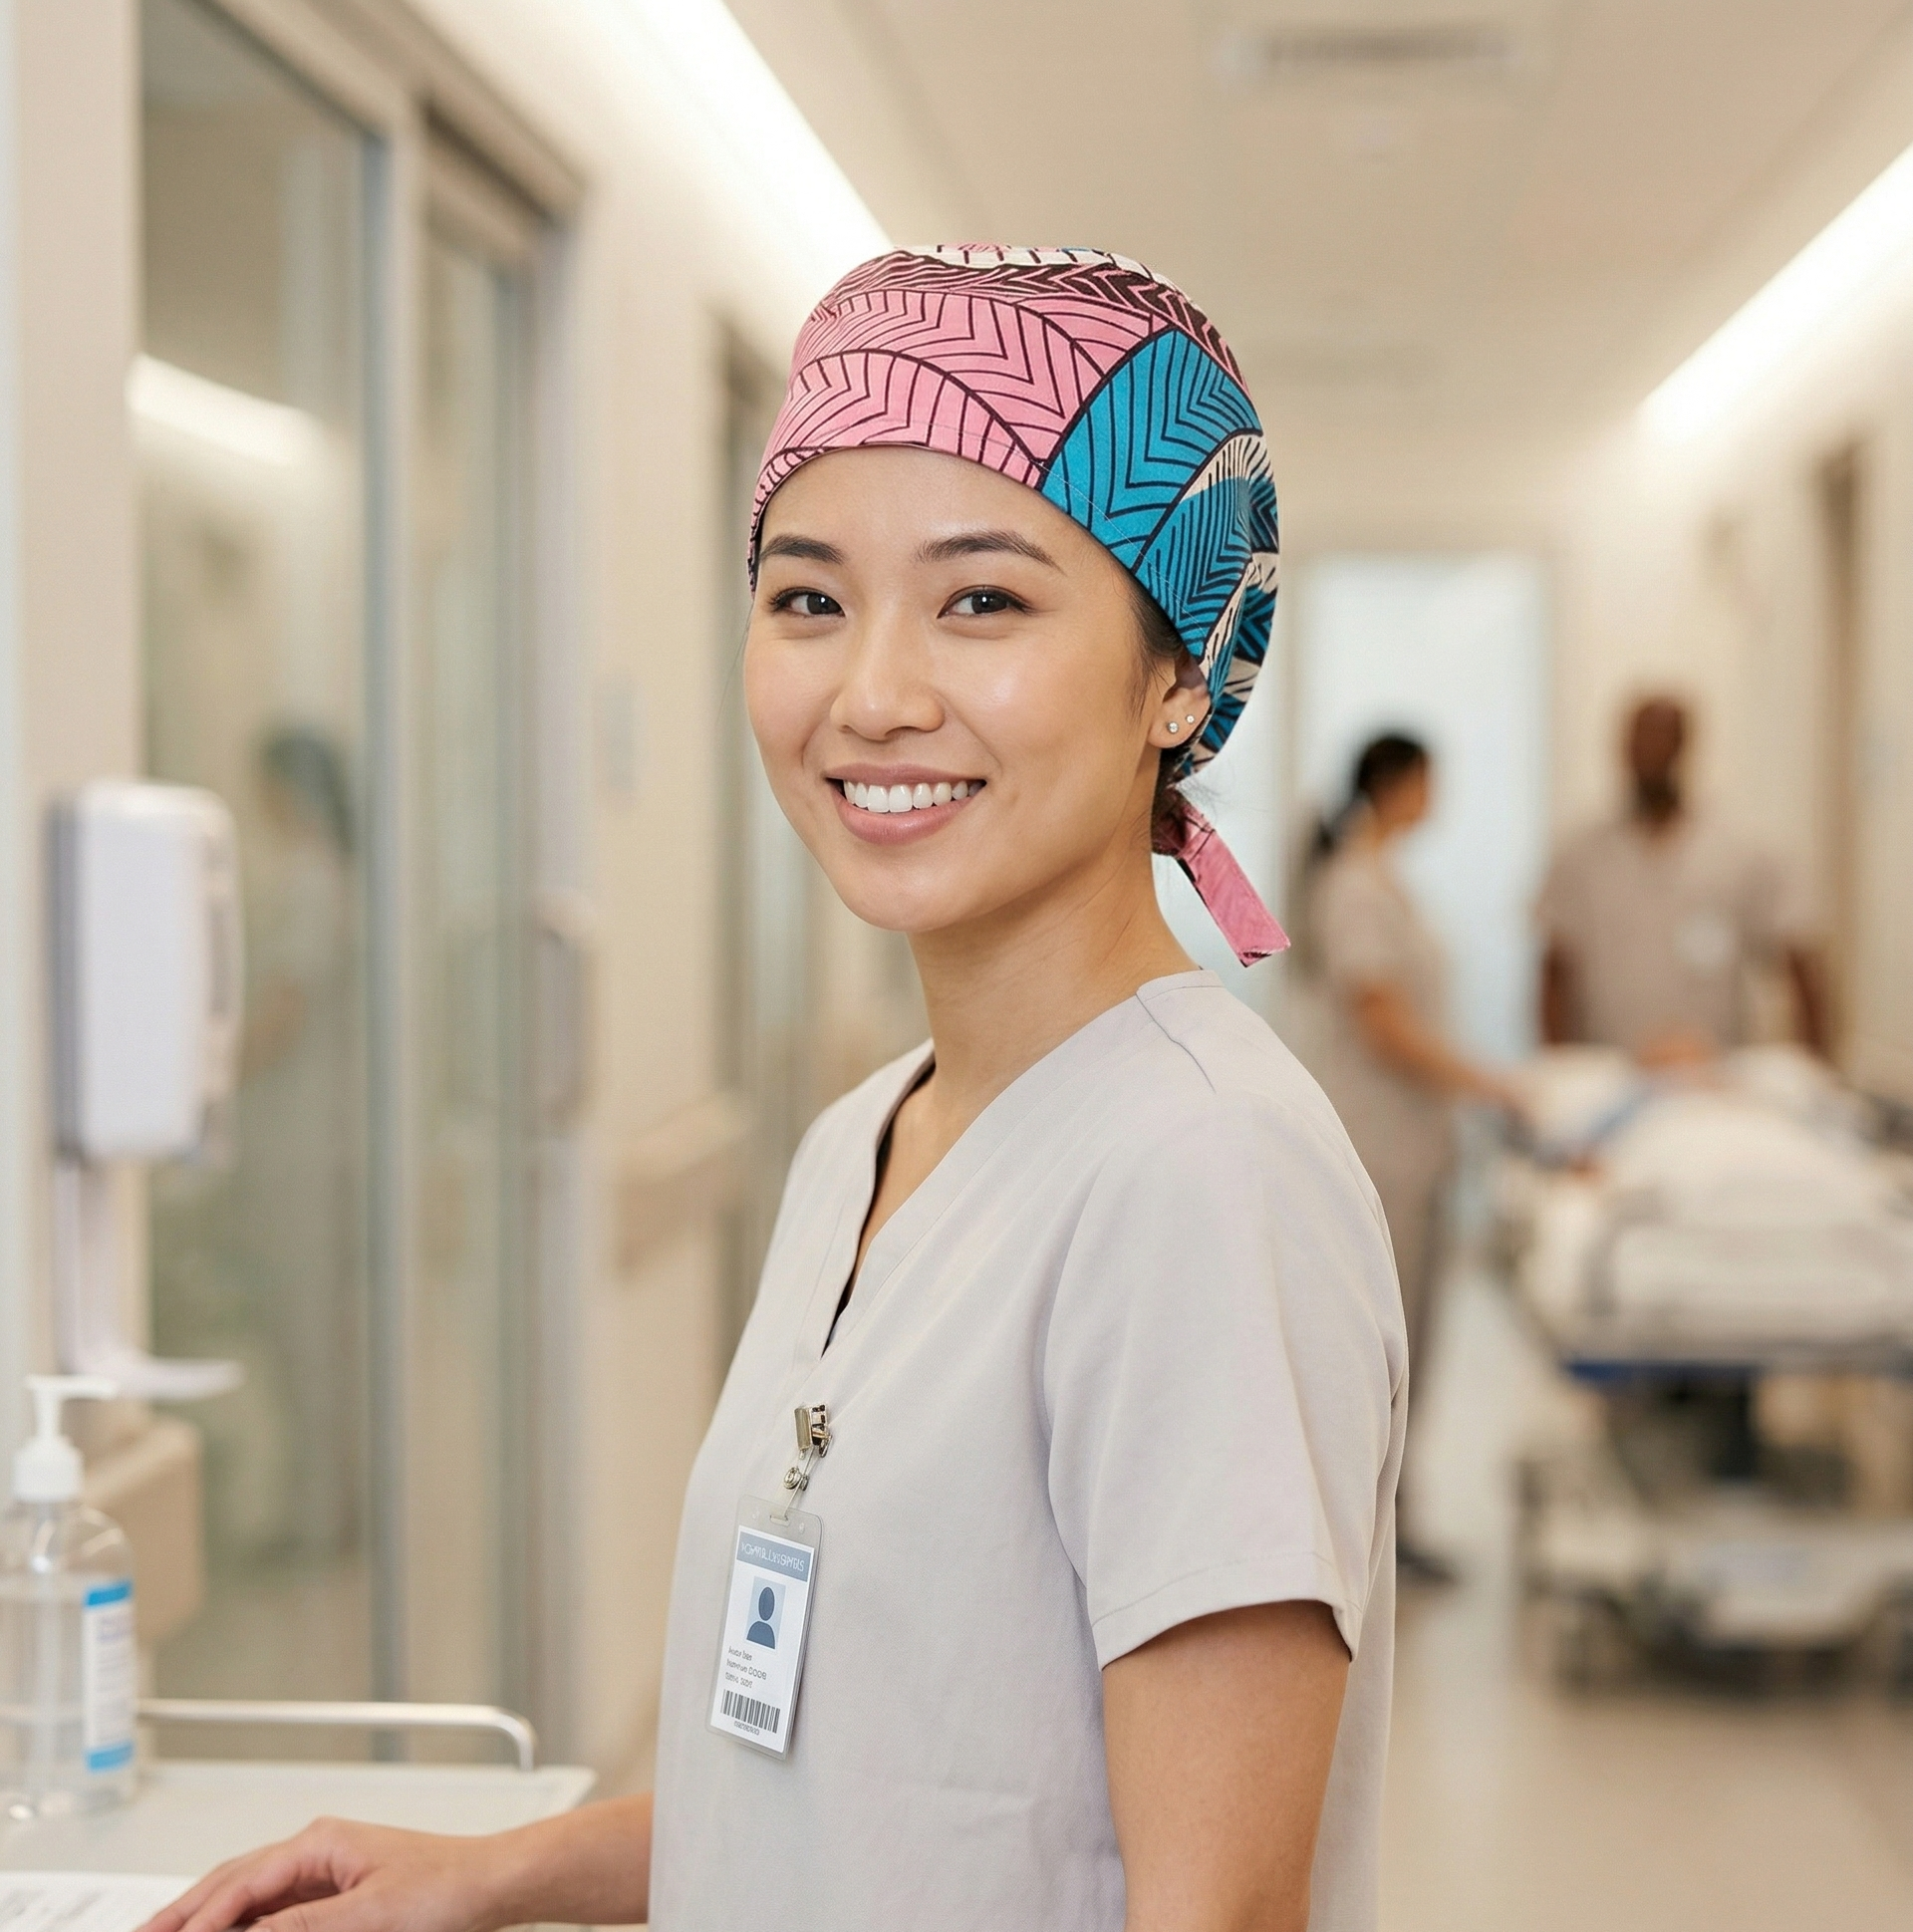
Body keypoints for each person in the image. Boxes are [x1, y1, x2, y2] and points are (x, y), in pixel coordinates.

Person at [139, 247, 1404, 1932]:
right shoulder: (860, 1142)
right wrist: (495, 1868)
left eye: (984, 598)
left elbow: (1219, 1910)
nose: (872, 692)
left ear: (1181, 673)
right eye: (808, 596)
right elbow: (867, 1784)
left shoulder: (1199, 1173)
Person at [1303, 732, 1517, 1582]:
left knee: (1412, 1341)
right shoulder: (1356, 883)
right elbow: (1381, 1020)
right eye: (1432, 780)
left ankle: (1393, 1519)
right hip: (1377, 1149)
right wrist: (1487, 1083)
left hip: (1414, 1147)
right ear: (1398, 784)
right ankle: (1363, 1533)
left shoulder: (1384, 878)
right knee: (1377, 1352)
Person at [1538, 694, 1827, 1062]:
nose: (1650, 752)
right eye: (1639, 740)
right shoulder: (1579, 855)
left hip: (1714, 1073)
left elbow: (1799, 958)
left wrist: (1813, 1070)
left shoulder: (1742, 850)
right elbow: (1554, 970)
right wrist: (1557, 1068)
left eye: (1663, 739)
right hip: (1608, 1068)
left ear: (1685, 746)